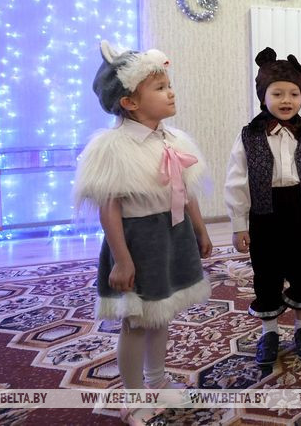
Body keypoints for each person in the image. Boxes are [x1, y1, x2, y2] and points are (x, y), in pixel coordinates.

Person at [73, 41, 212, 425]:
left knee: (161, 314)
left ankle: (157, 379)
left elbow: (186, 190)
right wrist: (122, 259)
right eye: (160, 87)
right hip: (139, 242)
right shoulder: (113, 148)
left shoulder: (175, 140)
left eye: (169, 85)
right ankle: (133, 397)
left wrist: (200, 230)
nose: (171, 92)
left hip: (173, 235)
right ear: (130, 102)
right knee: (136, 322)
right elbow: (109, 208)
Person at [225, 48, 301, 366]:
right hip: (264, 214)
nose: (286, 100)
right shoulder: (249, 136)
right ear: (263, 96)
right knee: (266, 273)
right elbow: (236, 181)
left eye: (294, 94)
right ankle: (269, 332)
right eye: (277, 93)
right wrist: (239, 224)